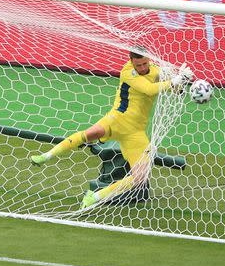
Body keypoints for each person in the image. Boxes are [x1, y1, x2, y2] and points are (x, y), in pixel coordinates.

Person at [30, 51, 193, 209]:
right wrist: (174, 81)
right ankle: (46, 156)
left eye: (144, 63)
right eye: (138, 65)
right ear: (131, 62)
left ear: (149, 60)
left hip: (135, 132)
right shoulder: (128, 72)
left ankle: (94, 197)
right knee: (91, 134)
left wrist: (183, 81)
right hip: (117, 120)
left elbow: (176, 91)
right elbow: (149, 89)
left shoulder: (156, 72)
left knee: (140, 177)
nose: (142, 68)